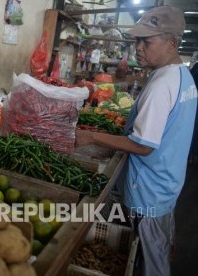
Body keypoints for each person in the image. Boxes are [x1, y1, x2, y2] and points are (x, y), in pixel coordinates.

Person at [76, 6, 197, 276]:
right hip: (167, 184)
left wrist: (91, 136)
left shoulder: (161, 85)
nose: (138, 47)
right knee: (154, 251)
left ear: (172, 43)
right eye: (137, 40)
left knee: (150, 263)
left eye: (147, 41)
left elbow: (143, 145)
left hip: (149, 192)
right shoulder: (183, 76)